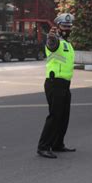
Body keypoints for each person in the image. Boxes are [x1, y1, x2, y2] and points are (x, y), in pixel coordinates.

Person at [37, 13, 76, 159]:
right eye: (64, 26)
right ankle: (43, 147)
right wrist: (51, 37)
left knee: (64, 116)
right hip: (55, 83)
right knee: (54, 116)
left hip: (65, 84)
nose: (67, 28)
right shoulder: (55, 40)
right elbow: (51, 46)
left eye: (69, 26)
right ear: (58, 27)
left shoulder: (67, 43)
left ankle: (58, 144)